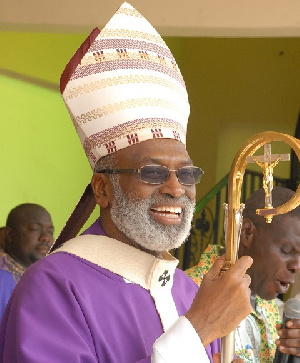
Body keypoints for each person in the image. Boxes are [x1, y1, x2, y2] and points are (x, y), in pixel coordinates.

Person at [0, 3, 251, 362]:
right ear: (102, 189)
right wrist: (197, 331)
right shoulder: (53, 286)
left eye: (186, 173)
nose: (176, 189)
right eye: (151, 172)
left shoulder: (186, 290)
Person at [186, 186, 300, 362]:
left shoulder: (268, 305)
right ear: (247, 232)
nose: (297, 266)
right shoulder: (187, 294)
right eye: (286, 250)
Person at [0, 203, 54, 282]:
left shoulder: (46, 277)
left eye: (50, 232)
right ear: (10, 235)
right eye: (35, 229)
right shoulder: (3, 277)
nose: (46, 238)